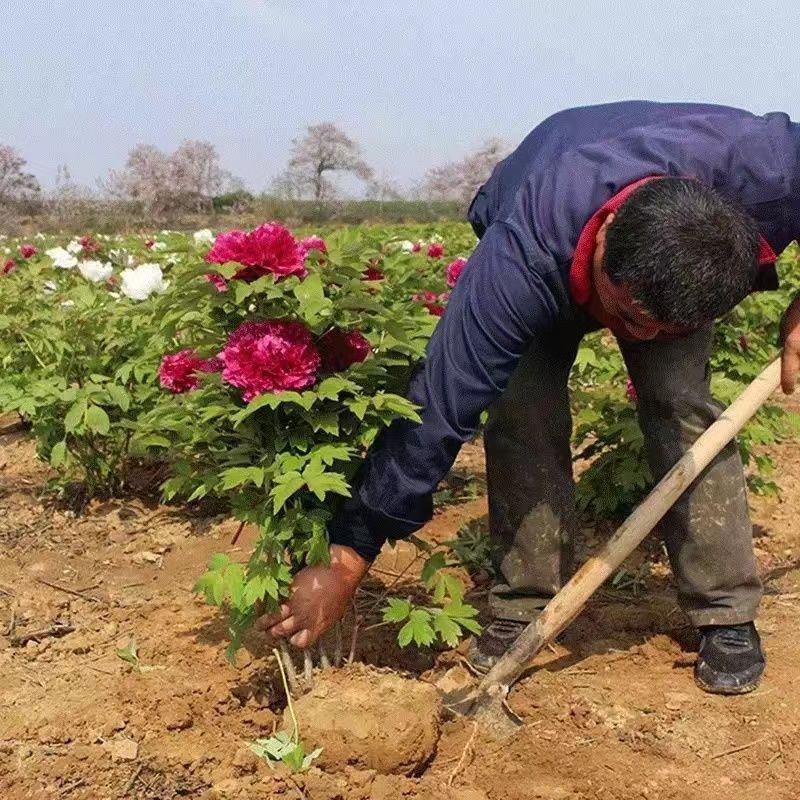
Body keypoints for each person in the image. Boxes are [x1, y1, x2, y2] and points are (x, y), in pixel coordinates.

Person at [258, 101, 800, 695]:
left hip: (678, 237)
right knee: (522, 409)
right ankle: (525, 601)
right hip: (544, 211)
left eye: (662, 328)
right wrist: (348, 555)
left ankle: (725, 611)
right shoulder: (520, 258)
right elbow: (440, 405)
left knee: (679, 400)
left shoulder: (770, 169)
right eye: (628, 317)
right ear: (605, 243)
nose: (637, 338)